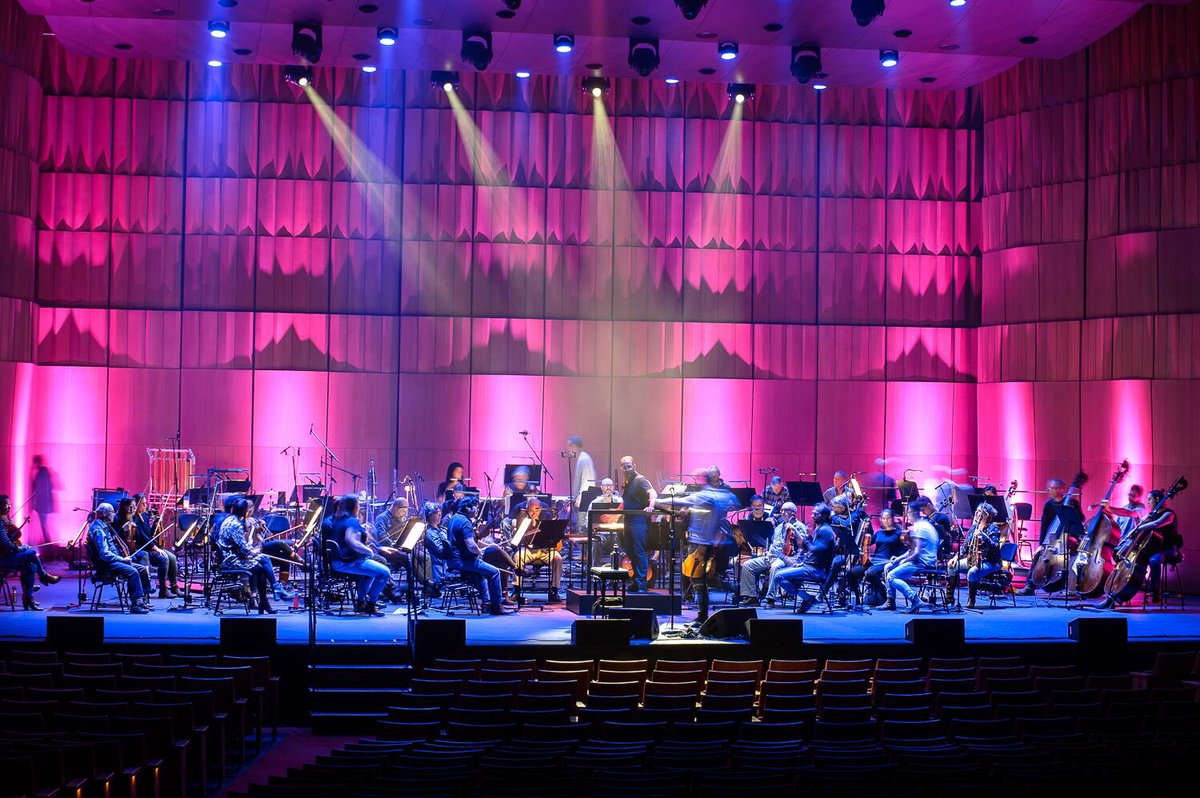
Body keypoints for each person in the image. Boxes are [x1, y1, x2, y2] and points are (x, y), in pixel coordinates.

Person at [662, 467, 737, 623]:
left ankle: (703, 615)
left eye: (697, 477)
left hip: (703, 542)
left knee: (699, 580)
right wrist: (686, 512)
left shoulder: (710, 494)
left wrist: (659, 501)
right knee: (695, 576)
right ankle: (700, 611)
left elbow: (717, 513)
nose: (695, 480)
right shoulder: (706, 494)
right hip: (699, 539)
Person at [1097, 489, 1181, 609]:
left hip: (1167, 549)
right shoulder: (1151, 514)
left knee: (1154, 560)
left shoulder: (1169, 514)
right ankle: (1114, 595)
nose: (1147, 502)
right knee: (1128, 558)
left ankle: (1156, 593)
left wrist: (1140, 527)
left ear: (1157, 499)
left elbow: (1156, 524)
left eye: (1149, 499)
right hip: (1151, 548)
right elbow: (1132, 517)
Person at [1018, 477, 1082, 595]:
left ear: (1063, 489)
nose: (1053, 491)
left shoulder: (1072, 503)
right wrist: (1041, 545)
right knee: (1038, 556)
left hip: (1066, 538)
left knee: (1072, 557)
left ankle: (1071, 586)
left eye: (1056, 488)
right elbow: (1044, 525)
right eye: (1051, 488)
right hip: (1051, 539)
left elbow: (1080, 519)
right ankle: (1030, 585)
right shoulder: (1048, 504)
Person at [217, 497, 282, 615]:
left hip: (233, 555)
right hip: (231, 560)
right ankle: (269, 595)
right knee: (261, 567)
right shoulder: (236, 525)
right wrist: (255, 550)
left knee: (263, 561)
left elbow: (241, 546)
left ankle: (269, 595)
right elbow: (245, 550)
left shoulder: (229, 519)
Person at [768, 503, 836, 614]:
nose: (813, 515)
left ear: (824, 516)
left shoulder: (825, 531)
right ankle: (807, 599)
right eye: (813, 513)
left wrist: (806, 540)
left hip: (816, 570)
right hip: (810, 566)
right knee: (785, 575)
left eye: (816, 514)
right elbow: (810, 551)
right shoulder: (820, 528)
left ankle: (808, 598)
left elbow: (815, 550)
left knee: (778, 575)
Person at [447, 494, 506, 615]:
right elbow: (471, 545)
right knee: (495, 572)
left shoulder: (454, 518)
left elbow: (472, 542)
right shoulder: (465, 523)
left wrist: (487, 546)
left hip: (453, 560)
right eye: (475, 507)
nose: (477, 510)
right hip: (464, 561)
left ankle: (486, 603)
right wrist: (480, 553)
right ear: (468, 508)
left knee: (482, 573)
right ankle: (497, 606)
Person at [0, 494, 61, 611]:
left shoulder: (5, 519)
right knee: (32, 552)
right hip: (3, 559)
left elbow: (12, 539)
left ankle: (28, 599)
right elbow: (6, 544)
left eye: (9, 504)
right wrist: (22, 548)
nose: (9, 507)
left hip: (7, 555)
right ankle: (43, 576)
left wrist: (17, 541)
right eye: (6, 505)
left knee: (31, 566)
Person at [740, 499, 806, 606]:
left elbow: (802, 545)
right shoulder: (779, 526)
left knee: (775, 567)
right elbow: (774, 543)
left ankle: (771, 598)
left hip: (786, 559)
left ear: (793, 513)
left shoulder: (799, 526)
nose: (782, 513)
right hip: (771, 557)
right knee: (747, 565)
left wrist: (794, 530)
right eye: (782, 510)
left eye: (786, 510)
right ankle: (752, 597)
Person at [86, 502, 148, 614]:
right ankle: (135, 605)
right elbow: (104, 554)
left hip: (112, 561)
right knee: (133, 572)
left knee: (141, 569)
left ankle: (141, 599)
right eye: (112, 512)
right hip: (106, 564)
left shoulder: (104, 526)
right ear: (104, 514)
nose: (114, 515)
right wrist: (122, 559)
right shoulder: (98, 530)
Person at [883, 500, 938, 613]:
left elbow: (916, 553)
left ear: (913, 513)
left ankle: (915, 599)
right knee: (889, 566)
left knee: (891, 577)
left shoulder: (920, 528)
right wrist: (898, 559)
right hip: (921, 559)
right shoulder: (922, 524)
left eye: (908, 513)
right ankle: (891, 602)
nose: (907, 515)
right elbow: (911, 550)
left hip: (922, 562)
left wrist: (905, 561)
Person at [371, 497, 430, 602]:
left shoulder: (402, 518)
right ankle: (426, 584)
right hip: (387, 551)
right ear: (396, 508)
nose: (404, 514)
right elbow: (382, 538)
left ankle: (424, 587)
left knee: (424, 557)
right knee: (409, 559)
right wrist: (394, 545)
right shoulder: (382, 518)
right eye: (403, 511)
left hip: (401, 549)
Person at [948, 502, 1003, 609]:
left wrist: (984, 536)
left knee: (972, 572)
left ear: (987, 515)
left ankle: (971, 599)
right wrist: (955, 558)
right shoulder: (974, 528)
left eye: (980, 511)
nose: (977, 513)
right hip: (973, 559)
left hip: (991, 561)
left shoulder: (993, 528)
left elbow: (995, 546)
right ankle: (949, 598)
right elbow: (965, 547)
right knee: (952, 566)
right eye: (977, 511)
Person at [508, 497, 564, 602]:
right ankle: (516, 589)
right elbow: (521, 536)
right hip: (528, 550)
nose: (534, 513)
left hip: (545, 550)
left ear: (541, 508)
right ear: (526, 508)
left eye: (537, 509)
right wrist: (533, 521)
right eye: (531, 510)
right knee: (517, 557)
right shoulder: (522, 516)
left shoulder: (547, 516)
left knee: (558, 558)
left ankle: (554, 590)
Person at [619, 456, 658, 593]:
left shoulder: (640, 480)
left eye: (629, 466)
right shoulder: (628, 482)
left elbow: (652, 493)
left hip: (639, 521)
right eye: (624, 467)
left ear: (634, 465)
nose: (627, 469)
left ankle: (641, 583)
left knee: (639, 551)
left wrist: (651, 506)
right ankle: (636, 580)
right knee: (630, 551)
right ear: (621, 468)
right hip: (629, 520)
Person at [131, 494, 178, 599]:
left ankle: (174, 586)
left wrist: (156, 524)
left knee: (173, 557)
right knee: (164, 558)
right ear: (136, 504)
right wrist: (155, 548)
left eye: (145, 503)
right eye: (142, 503)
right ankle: (163, 589)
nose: (145, 505)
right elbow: (142, 537)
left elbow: (149, 535)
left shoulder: (145, 516)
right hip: (143, 549)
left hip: (151, 546)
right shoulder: (134, 519)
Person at [825, 494, 868, 606]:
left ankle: (825, 590)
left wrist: (833, 516)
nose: (834, 509)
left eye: (836, 507)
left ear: (843, 508)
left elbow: (846, 524)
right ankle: (830, 590)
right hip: (842, 550)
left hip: (854, 554)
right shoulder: (840, 516)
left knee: (835, 562)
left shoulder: (854, 514)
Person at [863, 508, 907, 606]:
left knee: (870, 573)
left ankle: (884, 591)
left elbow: (906, 550)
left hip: (888, 562)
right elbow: (867, 543)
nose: (885, 521)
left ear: (892, 519)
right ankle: (857, 600)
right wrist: (865, 529)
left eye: (888, 518)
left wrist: (898, 558)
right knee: (852, 572)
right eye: (883, 518)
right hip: (875, 561)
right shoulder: (879, 533)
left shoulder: (899, 533)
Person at [113, 498, 154, 600]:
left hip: (131, 549)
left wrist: (135, 529)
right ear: (124, 507)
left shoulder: (133, 519)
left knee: (144, 555)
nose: (133, 509)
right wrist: (123, 529)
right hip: (120, 552)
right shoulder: (117, 519)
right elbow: (113, 536)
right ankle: (142, 591)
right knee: (138, 560)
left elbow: (140, 538)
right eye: (131, 507)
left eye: (134, 506)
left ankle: (145, 589)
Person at [586, 478, 623, 567]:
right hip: (601, 534)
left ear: (613, 487)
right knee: (596, 541)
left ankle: (617, 569)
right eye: (606, 485)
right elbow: (588, 521)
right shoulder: (594, 502)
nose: (608, 488)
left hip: (616, 533)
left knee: (620, 541)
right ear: (601, 487)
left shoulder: (620, 501)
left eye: (610, 485)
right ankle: (595, 569)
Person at [421, 501, 452, 588]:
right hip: (442, 567)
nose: (440, 515)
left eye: (440, 512)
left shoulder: (442, 529)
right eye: (436, 513)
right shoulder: (429, 532)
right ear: (429, 515)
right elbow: (441, 550)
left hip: (448, 562)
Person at [29, 456, 56, 540]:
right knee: (44, 526)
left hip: (43, 505)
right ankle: (48, 544)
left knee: (44, 526)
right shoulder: (44, 472)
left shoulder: (41, 473)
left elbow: (37, 489)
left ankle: (48, 544)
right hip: (44, 505)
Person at [567, 436, 596, 510]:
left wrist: (580, 499)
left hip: (584, 500)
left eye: (569, 447)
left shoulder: (584, 459)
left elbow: (586, 481)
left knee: (581, 520)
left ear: (574, 446)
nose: (568, 449)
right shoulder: (582, 458)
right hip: (583, 499)